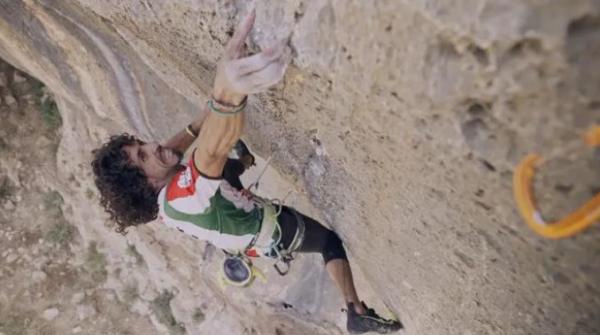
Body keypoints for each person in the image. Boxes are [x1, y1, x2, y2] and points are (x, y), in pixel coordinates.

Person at [91, 9, 402, 334]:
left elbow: (186, 139)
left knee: (224, 171)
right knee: (329, 243)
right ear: (146, 184)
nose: (153, 145)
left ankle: (246, 162)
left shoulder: (165, 191)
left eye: (141, 144)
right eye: (143, 155)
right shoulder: (182, 197)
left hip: (242, 226)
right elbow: (211, 148)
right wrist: (230, 92)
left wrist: (217, 97)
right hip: (273, 230)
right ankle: (354, 312)